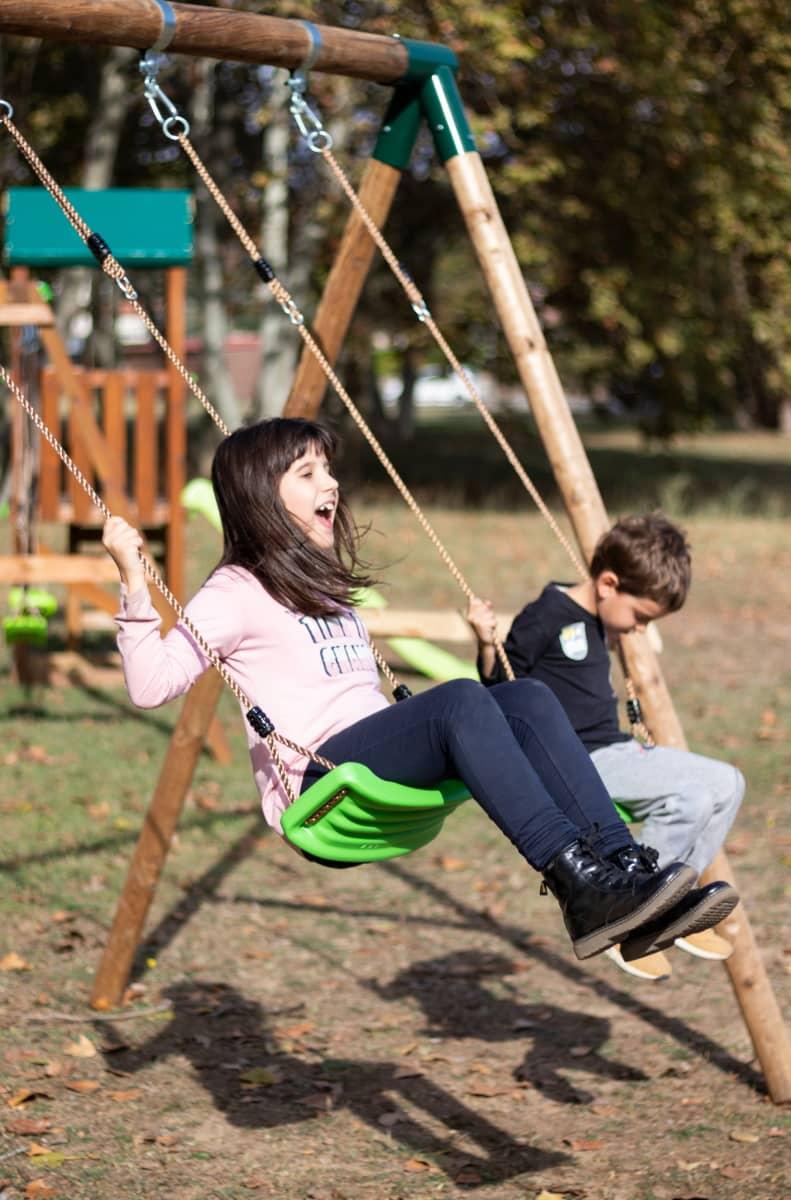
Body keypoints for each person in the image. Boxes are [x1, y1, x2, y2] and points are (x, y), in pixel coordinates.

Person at [103, 419, 736, 966]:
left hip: (372, 757)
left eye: (327, 470)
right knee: (460, 698)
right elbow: (150, 684)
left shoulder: (321, 585)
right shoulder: (236, 591)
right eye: (307, 473)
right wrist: (134, 583)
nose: (331, 485)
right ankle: (578, 883)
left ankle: (625, 871)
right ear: (260, 497)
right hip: (322, 783)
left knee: (529, 699)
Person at [468, 514, 743, 979]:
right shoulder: (547, 616)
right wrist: (485, 642)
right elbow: (502, 686)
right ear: (609, 584)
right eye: (639, 617)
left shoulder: (600, 616)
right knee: (704, 790)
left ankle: (669, 906)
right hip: (577, 760)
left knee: (717, 789)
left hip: (615, 748)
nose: (637, 629)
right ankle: (628, 899)